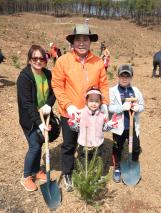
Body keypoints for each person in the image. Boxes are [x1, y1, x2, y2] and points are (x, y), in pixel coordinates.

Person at [52, 24, 109, 192]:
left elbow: (103, 85)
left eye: (85, 39)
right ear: (73, 42)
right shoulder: (63, 61)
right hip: (70, 113)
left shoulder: (98, 62)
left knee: (92, 143)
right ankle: (68, 173)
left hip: (92, 113)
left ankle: (90, 172)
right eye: (78, 39)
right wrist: (67, 105)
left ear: (90, 42)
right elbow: (57, 85)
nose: (82, 43)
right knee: (69, 144)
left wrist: (104, 104)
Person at [17, 45, 56, 192]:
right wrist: (39, 123)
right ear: (29, 59)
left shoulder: (47, 74)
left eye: (42, 58)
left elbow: (54, 92)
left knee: (39, 143)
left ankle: (36, 171)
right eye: (35, 58)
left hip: (44, 114)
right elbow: (27, 104)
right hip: (29, 118)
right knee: (34, 145)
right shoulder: (24, 77)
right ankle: (26, 176)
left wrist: (48, 105)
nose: (38, 61)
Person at [108, 64, 144, 183]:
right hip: (119, 126)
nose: (124, 78)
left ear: (131, 77)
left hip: (132, 126)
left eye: (127, 76)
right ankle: (117, 168)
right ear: (118, 76)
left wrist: (137, 108)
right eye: (122, 76)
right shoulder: (112, 91)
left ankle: (132, 166)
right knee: (117, 147)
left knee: (136, 148)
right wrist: (122, 107)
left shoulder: (136, 91)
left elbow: (142, 106)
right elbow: (110, 107)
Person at [68, 88, 118, 162]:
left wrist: (111, 124)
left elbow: (103, 128)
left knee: (96, 161)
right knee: (84, 162)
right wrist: (72, 124)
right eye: (91, 100)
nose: (94, 103)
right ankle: (84, 173)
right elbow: (77, 128)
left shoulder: (102, 115)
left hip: (98, 145)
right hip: (84, 144)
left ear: (100, 102)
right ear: (86, 101)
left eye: (97, 101)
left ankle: (96, 173)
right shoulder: (82, 114)